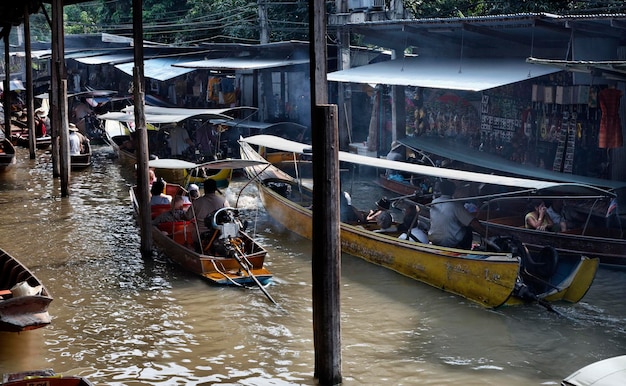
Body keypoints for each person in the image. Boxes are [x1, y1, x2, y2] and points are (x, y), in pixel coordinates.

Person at [428, 179, 485, 249]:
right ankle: (465, 251)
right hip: (451, 242)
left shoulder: (434, 202)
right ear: (453, 190)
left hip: (435, 239)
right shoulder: (455, 205)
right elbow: (473, 222)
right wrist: (487, 233)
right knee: (468, 228)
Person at [184, 178, 230, 250]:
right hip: (219, 233)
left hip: (200, 235)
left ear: (204, 189)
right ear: (215, 189)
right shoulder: (224, 201)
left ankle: (197, 248)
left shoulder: (197, 202)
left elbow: (187, 217)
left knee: (192, 227)